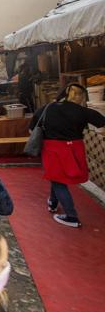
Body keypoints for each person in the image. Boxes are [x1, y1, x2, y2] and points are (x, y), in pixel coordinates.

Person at [30, 83, 105, 227]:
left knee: (58, 181)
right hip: (75, 148)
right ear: (81, 97)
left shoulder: (46, 108)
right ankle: (53, 202)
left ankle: (72, 217)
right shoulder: (83, 111)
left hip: (54, 149)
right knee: (57, 177)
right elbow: (101, 122)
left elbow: (31, 129)